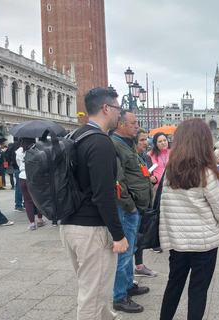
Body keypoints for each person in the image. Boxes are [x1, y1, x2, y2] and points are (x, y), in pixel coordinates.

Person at [59, 87, 128, 320]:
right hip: (91, 230)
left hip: (70, 224)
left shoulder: (75, 137)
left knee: (94, 290)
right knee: (93, 296)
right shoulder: (100, 142)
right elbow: (104, 194)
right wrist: (118, 235)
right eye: (118, 108)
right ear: (106, 108)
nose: (120, 114)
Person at [159, 118, 219, 320]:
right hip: (204, 245)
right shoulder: (206, 172)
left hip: (177, 242)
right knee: (198, 291)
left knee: (173, 285)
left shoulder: (170, 171)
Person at [112, 110, 152, 314]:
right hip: (126, 208)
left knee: (130, 248)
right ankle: (119, 296)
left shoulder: (127, 144)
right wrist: (130, 205)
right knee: (124, 253)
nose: (137, 126)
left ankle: (127, 285)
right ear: (121, 125)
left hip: (133, 208)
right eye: (134, 123)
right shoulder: (116, 145)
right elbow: (117, 180)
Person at [133, 128, 158, 278]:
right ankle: (131, 270)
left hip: (146, 201)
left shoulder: (146, 157)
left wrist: (152, 179)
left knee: (140, 236)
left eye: (146, 139)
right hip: (134, 203)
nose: (146, 142)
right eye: (142, 140)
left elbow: (150, 176)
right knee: (132, 237)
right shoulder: (132, 157)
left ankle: (139, 265)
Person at [16, 138, 47, 230]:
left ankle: (32, 223)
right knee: (38, 199)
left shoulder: (18, 152)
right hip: (35, 175)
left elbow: (18, 164)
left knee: (27, 201)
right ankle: (40, 219)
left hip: (23, 175)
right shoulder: (36, 150)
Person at [5, 138, 25, 213]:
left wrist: (12, 163)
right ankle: (20, 205)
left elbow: (7, 156)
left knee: (19, 187)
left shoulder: (13, 146)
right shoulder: (20, 146)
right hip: (22, 169)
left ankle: (19, 204)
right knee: (22, 188)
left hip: (17, 169)